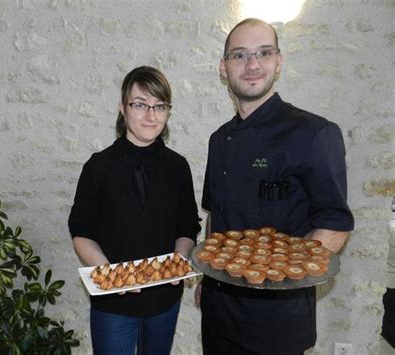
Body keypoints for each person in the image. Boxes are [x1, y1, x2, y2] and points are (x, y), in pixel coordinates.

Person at [195, 18, 354, 355]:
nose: (252, 65)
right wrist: (206, 280)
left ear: (278, 61)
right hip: (218, 314)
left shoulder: (314, 133)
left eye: (263, 53)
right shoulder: (218, 140)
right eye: (239, 55)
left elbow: (335, 225)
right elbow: (216, 217)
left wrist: (282, 277)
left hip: (277, 324)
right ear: (223, 68)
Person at [68, 65, 201, 355]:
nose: (151, 115)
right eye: (140, 104)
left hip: (165, 300)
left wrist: (179, 260)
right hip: (113, 304)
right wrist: (113, 276)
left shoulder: (178, 167)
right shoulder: (98, 166)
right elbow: (81, 232)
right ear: (122, 108)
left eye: (159, 105)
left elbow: (187, 226)